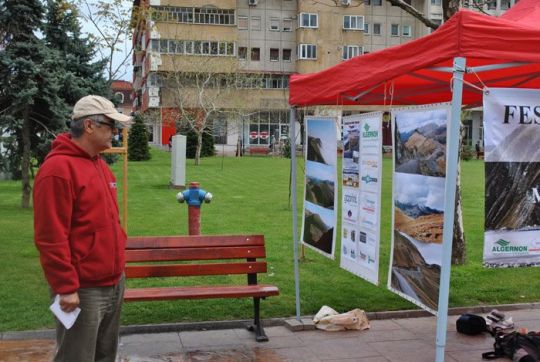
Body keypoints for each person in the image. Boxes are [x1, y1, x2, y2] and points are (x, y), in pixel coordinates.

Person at [34, 95, 132, 362]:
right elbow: (50, 237)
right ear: (90, 126)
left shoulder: (100, 165)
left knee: (104, 356)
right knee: (76, 357)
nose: (115, 132)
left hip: (112, 282)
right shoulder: (58, 170)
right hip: (82, 289)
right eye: (111, 126)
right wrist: (65, 287)